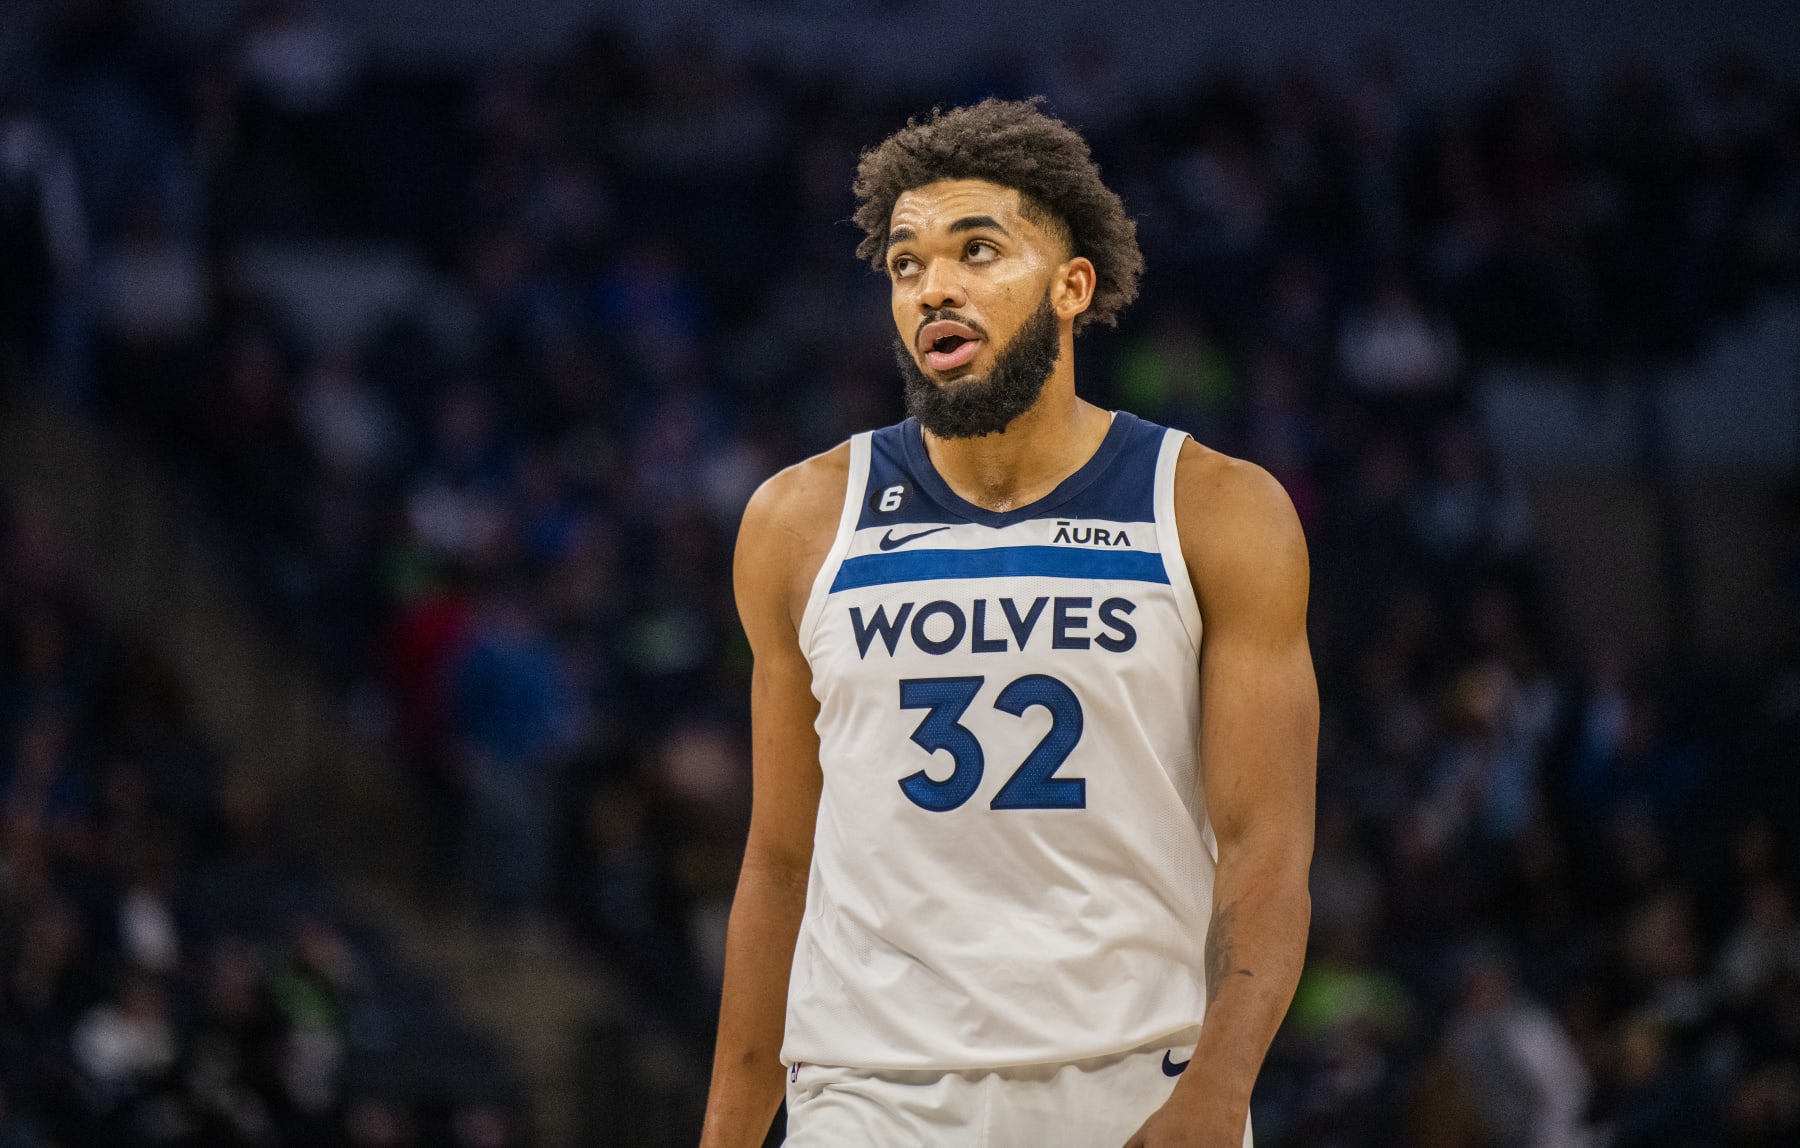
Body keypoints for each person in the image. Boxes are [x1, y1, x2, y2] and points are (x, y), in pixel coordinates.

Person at [700, 99, 1317, 1148]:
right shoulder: (799, 519)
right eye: (905, 264)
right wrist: (725, 1133)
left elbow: (1267, 849)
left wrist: (1218, 1087)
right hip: (871, 1088)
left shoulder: (1214, 508)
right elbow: (778, 861)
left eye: (977, 250)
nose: (932, 285)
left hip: (1135, 1076)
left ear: (1073, 286)